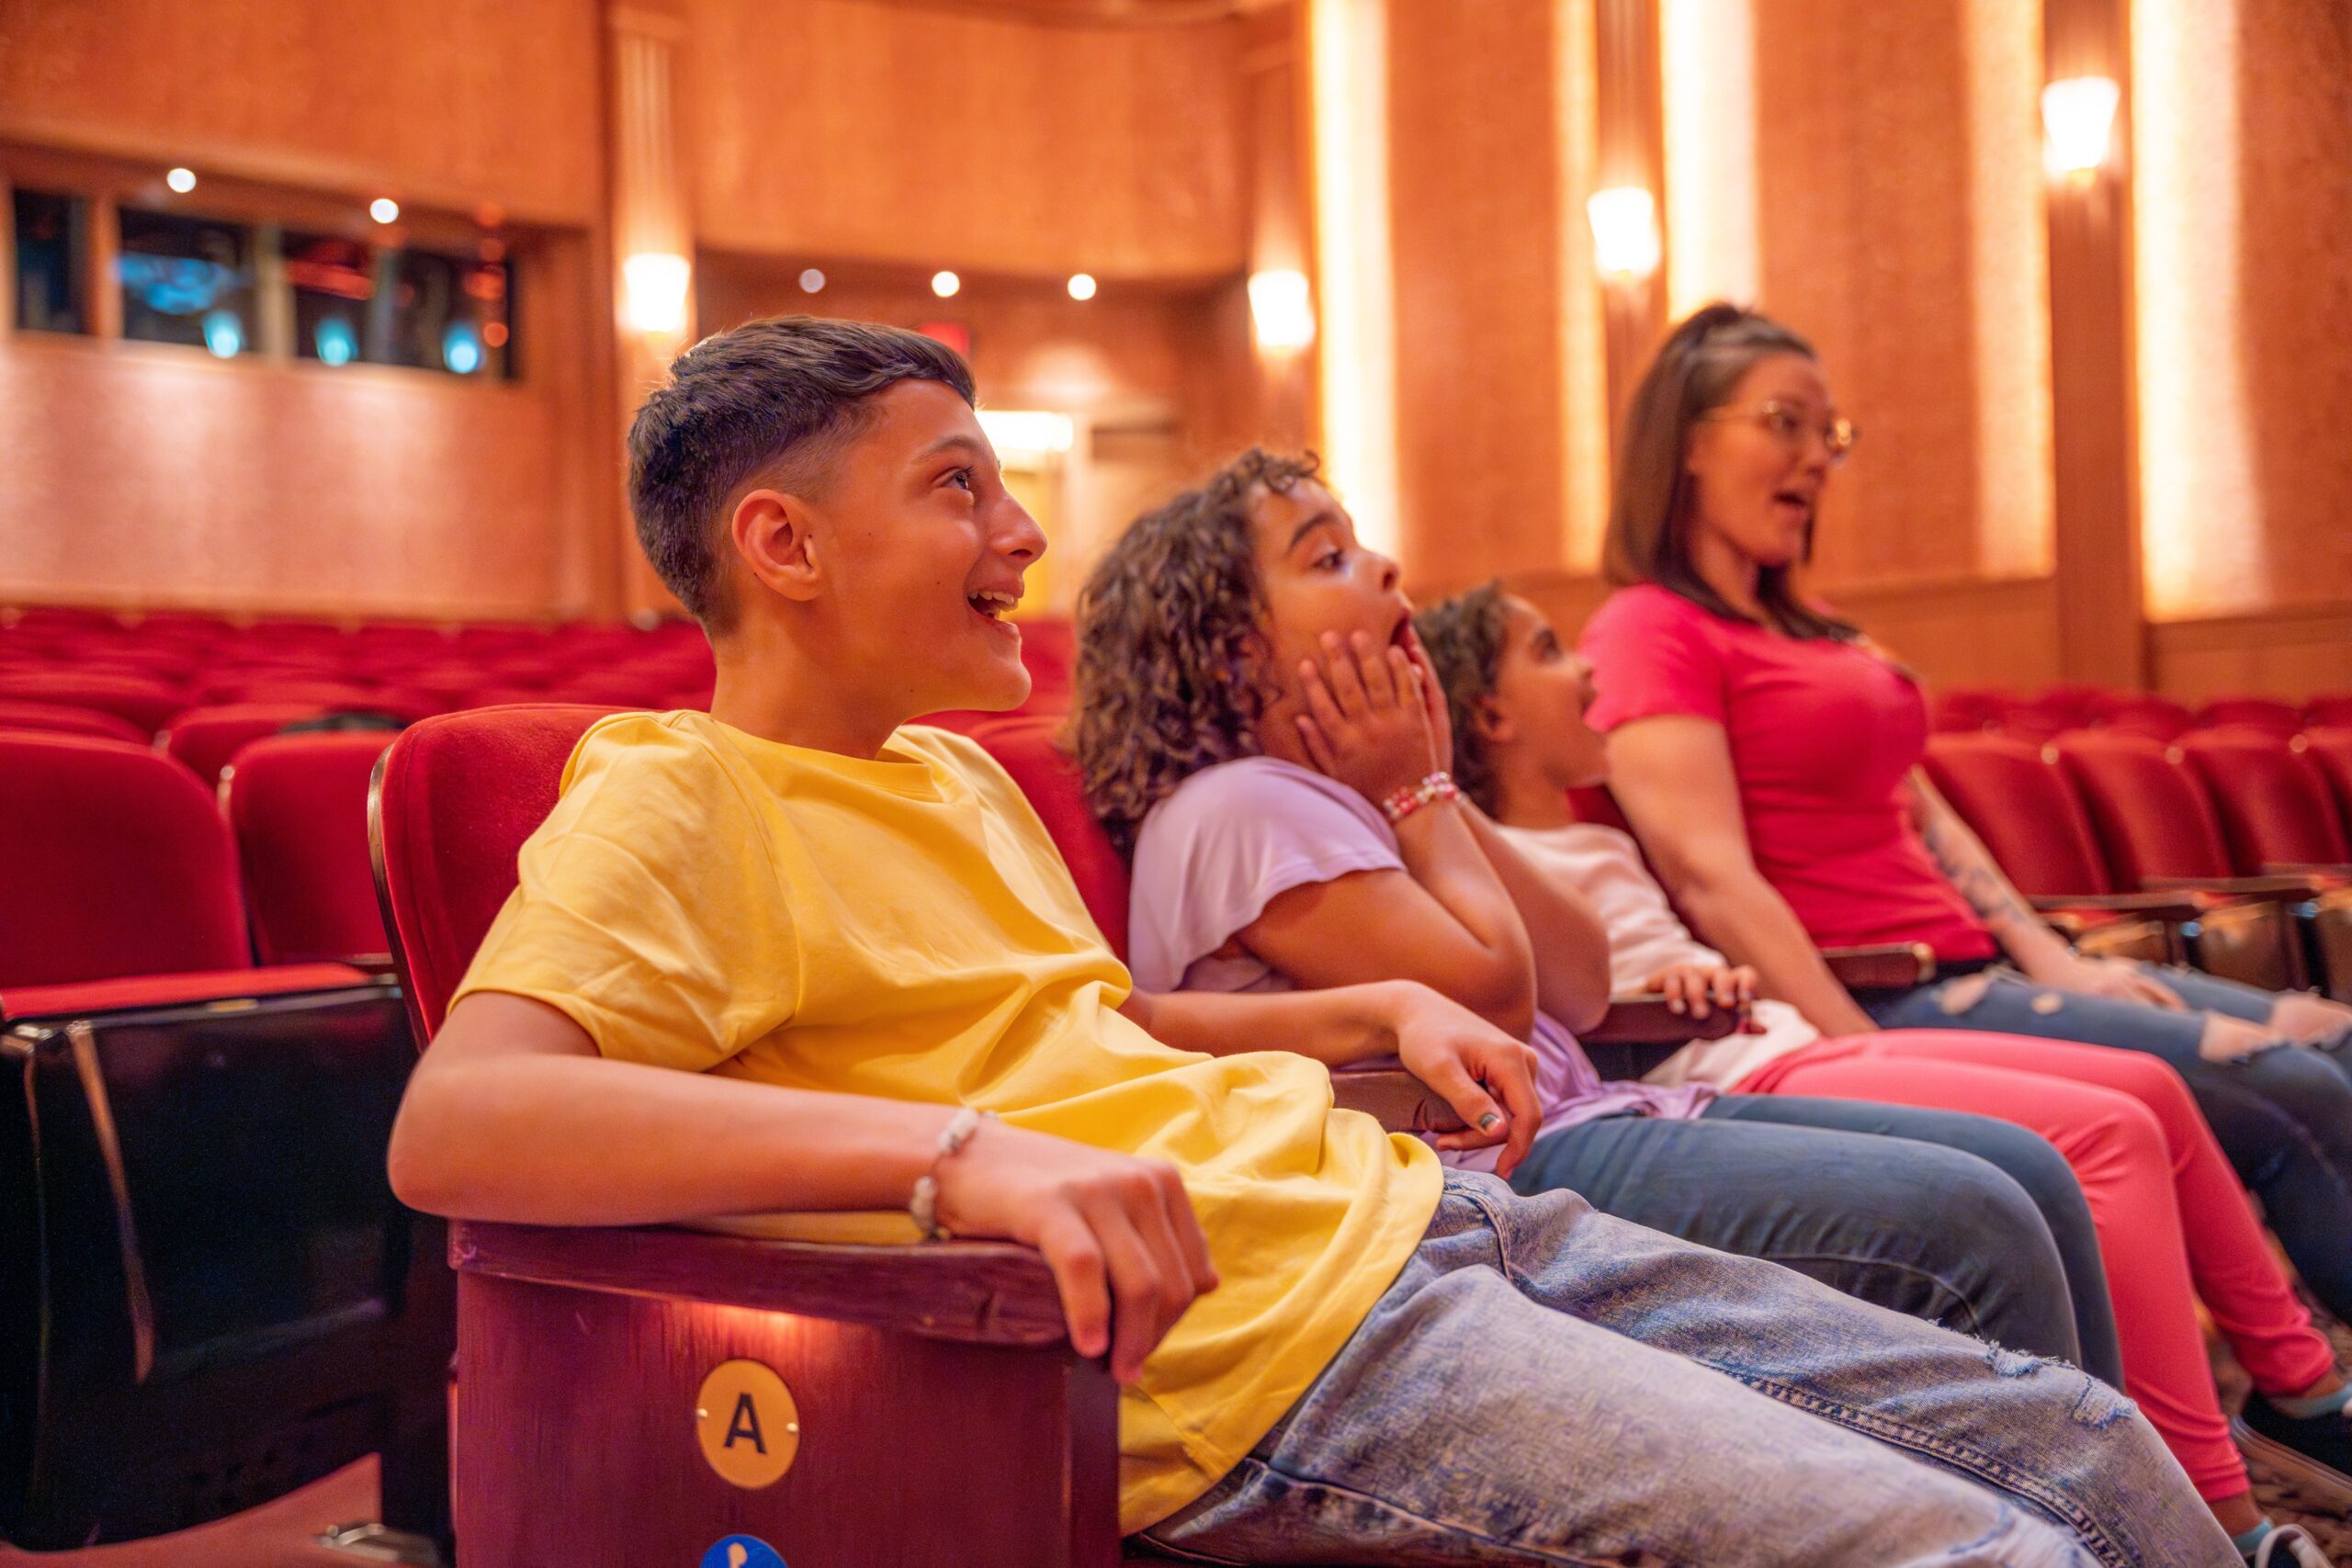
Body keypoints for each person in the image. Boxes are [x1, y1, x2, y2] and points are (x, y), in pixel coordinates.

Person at [384, 316, 2234, 1567]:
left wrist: (1350, 1007)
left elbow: (1090, 1034)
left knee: (2065, 1436)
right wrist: (951, 1155)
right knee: (1982, 1549)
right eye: (958, 484)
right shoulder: (670, 798)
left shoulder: (947, 783)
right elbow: (460, 1126)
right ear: (780, 543)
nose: (1024, 532)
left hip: (1424, 1216)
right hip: (1266, 1359)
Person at [1072, 447, 2108, 1366]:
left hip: (1586, 1119)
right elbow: (1499, 1005)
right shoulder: (1236, 808)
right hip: (1490, 1180)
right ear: (1230, 654)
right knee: (1976, 1219)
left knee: (2025, 1170)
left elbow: (1578, 975)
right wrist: (1420, 797)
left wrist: (1431, 784)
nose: (1385, 568)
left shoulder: (1354, 794)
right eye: (1327, 557)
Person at [1576, 303, 2352, 1508]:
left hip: (1990, 957)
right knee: (2289, 1082)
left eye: (1827, 430)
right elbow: (1712, 874)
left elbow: (1926, 809)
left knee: (2324, 1035)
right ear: (1684, 438)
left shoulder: (1814, 627)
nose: (1817, 457)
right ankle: (2310, 1403)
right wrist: (1859, 1047)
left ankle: (2300, 1387)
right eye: (1783, 423)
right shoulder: (1646, 627)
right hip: (1893, 982)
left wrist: (2063, 954)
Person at [1420, 579, 2352, 1551]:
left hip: (1771, 1032)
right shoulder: (1490, 854)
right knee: (2103, 1135)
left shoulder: (1604, 830)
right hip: (1727, 1064)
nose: (1588, 672)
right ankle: (2213, 1520)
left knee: (2142, 1097)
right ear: (1489, 714)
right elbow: (1556, 995)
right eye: (1545, 651)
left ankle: (2274, 1422)